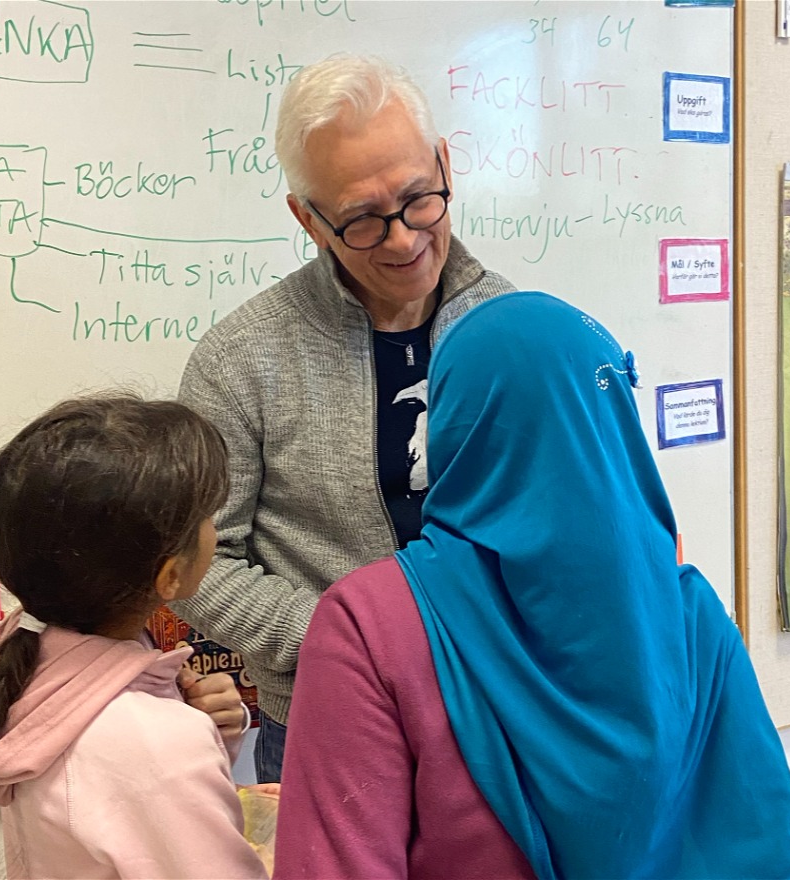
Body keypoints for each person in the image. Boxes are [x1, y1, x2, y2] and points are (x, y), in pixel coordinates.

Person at [275, 292, 790, 880]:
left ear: (453, 427)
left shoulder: (371, 626)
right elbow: (782, 851)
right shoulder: (690, 613)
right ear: (617, 421)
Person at [175, 53, 515, 782]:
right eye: (362, 218)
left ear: (445, 163)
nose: (402, 238)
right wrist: (352, 639)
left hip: (507, 718)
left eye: (420, 198)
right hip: (330, 729)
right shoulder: (241, 358)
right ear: (308, 218)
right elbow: (197, 568)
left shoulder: (514, 331)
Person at [0, 396, 266, 880]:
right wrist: (185, 739)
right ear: (171, 577)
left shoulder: (26, 647)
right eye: (207, 516)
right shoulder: (156, 742)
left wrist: (208, 730)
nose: (213, 530)